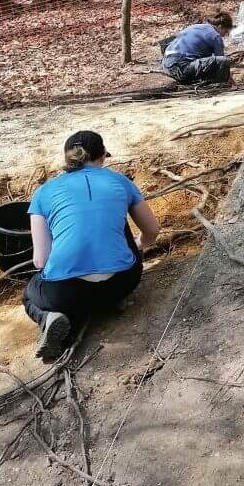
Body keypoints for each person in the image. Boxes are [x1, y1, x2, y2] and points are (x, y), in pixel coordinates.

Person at [24, 131, 160, 360]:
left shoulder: (43, 192)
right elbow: (152, 230)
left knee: (29, 293)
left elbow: (40, 260)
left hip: (66, 294)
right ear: (102, 157)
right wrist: (139, 246)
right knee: (117, 222)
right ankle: (111, 302)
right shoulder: (120, 181)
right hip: (123, 281)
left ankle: (49, 317)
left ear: (68, 159)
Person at [162, 11, 233, 84]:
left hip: (166, 66)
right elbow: (222, 65)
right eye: (226, 31)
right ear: (220, 27)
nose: (225, 35)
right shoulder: (216, 36)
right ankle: (220, 86)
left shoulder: (196, 27)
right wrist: (231, 81)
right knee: (224, 61)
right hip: (180, 68)